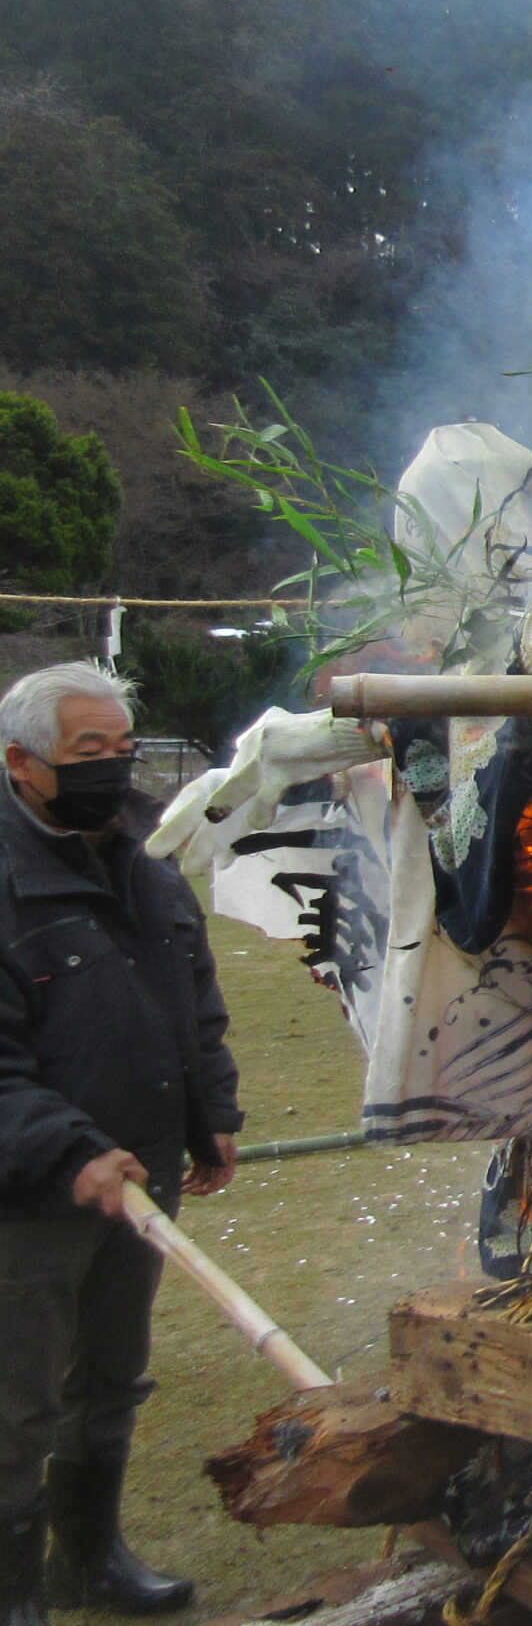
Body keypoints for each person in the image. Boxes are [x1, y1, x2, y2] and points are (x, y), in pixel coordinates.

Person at [0, 664, 240, 1626]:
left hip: (140, 1178)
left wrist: (209, 1112)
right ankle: (14, 1588)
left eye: (122, 748)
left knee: (110, 1378)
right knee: (17, 1404)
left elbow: (196, 1001)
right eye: (86, 752)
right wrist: (70, 1152)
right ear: (23, 764)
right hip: (29, 1199)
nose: (113, 766)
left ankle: (91, 1559)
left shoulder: (145, 861)